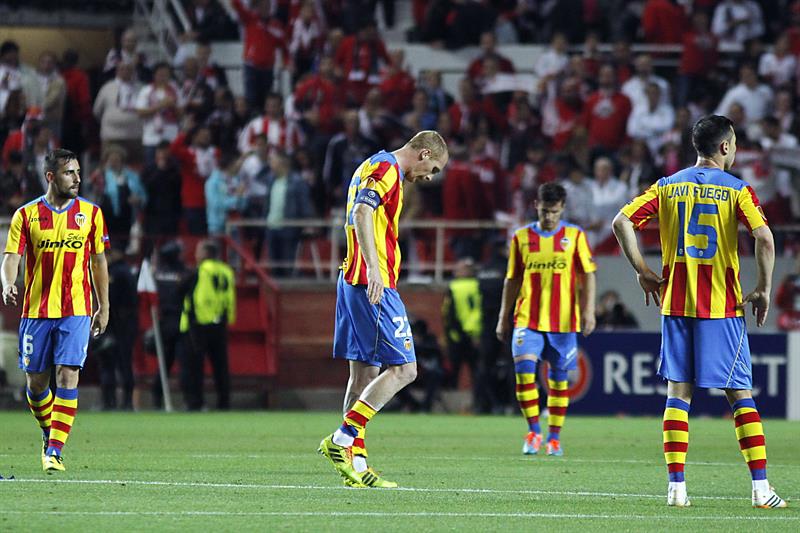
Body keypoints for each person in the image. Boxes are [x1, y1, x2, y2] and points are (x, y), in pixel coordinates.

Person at [611, 115, 786, 508]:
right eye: (736, 142)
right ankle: (760, 490)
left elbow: (621, 222)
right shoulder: (739, 190)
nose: (736, 148)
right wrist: (762, 289)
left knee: (678, 395)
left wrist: (643, 271)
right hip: (721, 306)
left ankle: (677, 490)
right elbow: (764, 238)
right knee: (740, 395)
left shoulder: (667, 186)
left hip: (674, 303)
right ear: (725, 147)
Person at [318, 130, 448, 488]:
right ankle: (342, 439)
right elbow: (362, 212)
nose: (429, 177)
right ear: (423, 154)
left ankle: (356, 465)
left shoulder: (370, 164)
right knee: (405, 369)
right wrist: (375, 268)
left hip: (352, 278)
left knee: (362, 374)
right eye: (433, 168)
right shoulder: (387, 168)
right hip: (371, 282)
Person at [1, 149, 110, 472]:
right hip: (36, 312)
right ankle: (51, 433)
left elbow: (98, 261)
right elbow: (11, 257)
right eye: (69, 173)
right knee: (36, 384)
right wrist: (8, 283)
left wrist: (103, 306)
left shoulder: (91, 214)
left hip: (76, 308)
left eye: (78, 172)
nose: (77, 178)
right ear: (51, 177)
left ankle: (55, 451)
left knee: (68, 373)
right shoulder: (27, 215)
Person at [495, 182, 597, 457]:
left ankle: (554, 437)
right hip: (527, 318)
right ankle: (533, 431)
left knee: (559, 380)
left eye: (554, 211)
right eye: (545, 211)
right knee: (524, 372)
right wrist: (504, 317)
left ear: (562, 208)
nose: (549, 216)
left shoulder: (575, 236)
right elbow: (512, 279)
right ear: (536, 206)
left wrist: (588, 312)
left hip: (563, 322)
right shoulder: (521, 237)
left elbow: (588, 275)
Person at [179, 239, 236, 411]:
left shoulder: (199, 271)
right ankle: (224, 403)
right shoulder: (226, 271)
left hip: (198, 323)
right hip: (220, 322)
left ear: (205, 254)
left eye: (198, 251)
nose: (196, 255)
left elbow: (182, 292)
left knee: (194, 365)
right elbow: (230, 298)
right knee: (221, 366)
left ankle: (195, 403)